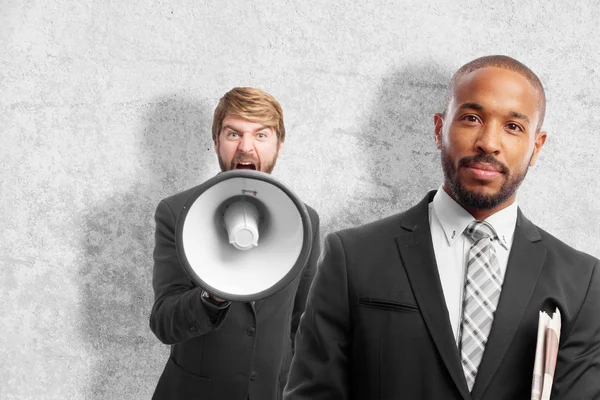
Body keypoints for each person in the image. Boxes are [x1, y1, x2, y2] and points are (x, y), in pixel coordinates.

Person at [284, 56, 600, 399]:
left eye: (513, 126)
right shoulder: (352, 257)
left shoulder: (582, 281)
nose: (488, 142)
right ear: (439, 129)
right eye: (472, 118)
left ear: (536, 147)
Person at [150, 87, 321, 399]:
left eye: (261, 135)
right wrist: (210, 297)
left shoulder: (306, 220)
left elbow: (304, 325)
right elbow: (164, 323)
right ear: (216, 141)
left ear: (279, 145)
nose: (246, 148)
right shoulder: (176, 213)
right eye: (233, 134)